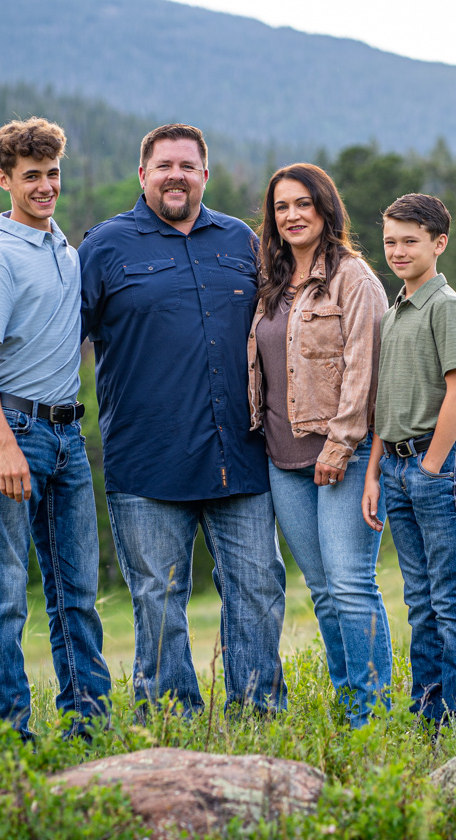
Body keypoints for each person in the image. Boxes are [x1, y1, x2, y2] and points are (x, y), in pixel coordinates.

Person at [77, 124, 287, 715]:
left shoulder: (241, 240)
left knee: (258, 591)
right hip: (147, 463)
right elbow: (59, 334)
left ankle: (257, 718)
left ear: (205, 174)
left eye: (188, 166)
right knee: (158, 601)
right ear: (143, 174)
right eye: (164, 165)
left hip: (239, 457)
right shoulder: (105, 247)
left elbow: (287, 326)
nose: (176, 175)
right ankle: (172, 723)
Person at [0, 118, 110, 740]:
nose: (46, 187)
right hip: (13, 435)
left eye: (52, 174)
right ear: (5, 180)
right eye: (31, 177)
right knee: (6, 599)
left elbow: (5, 344)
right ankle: (9, 737)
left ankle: (88, 726)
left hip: (69, 439)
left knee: (76, 592)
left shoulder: (65, 253)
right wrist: (2, 444)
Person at [245, 163, 391, 727]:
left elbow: (367, 366)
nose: (292, 215)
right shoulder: (272, 281)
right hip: (282, 460)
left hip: (343, 457)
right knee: (324, 591)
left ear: (326, 209)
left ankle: (373, 716)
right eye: (282, 207)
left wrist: (342, 441)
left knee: (352, 585)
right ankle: (351, 702)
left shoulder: (353, 278)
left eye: (303, 204)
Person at [361, 193, 456, 727]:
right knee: (421, 602)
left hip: (435, 466)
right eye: (390, 241)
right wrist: (375, 473)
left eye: (410, 241)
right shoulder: (395, 313)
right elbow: (383, 405)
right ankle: (429, 718)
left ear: (439, 243)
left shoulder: (445, 307)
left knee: (452, 598)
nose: (397, 250)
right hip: (394, 467)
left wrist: (432, 466)